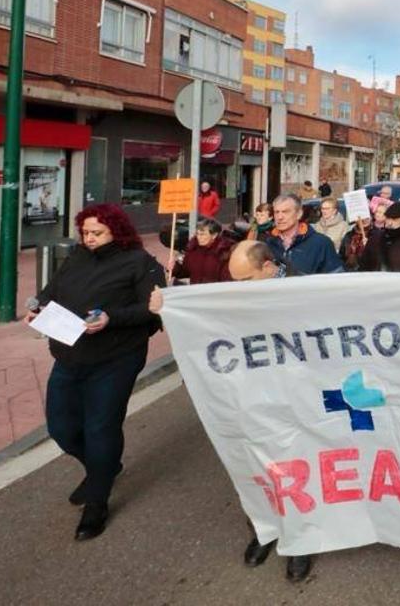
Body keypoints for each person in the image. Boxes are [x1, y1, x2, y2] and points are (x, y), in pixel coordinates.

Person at [150, 239, 314, 582]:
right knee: (254, 463)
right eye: (233, 281)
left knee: (296, 467)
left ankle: (300, 543)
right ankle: (264, 528)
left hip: (296, 397)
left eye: (244, 281)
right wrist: (170, 305)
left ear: (269, 268)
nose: (235, 289)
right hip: (250, 396)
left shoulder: (307, 289)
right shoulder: (237, 294)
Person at [25, 203, 165, 541]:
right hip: (70, 354)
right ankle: (103, 469)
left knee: (101, 427)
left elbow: (152, 311)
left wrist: (110, 319)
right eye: (85, 232)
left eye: (96, 233)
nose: (89, 239)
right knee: (61, 427)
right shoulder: (76, 257)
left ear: (116, 231)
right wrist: (37, 308)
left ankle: (97, 502)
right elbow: (52, 291)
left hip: (116, 358)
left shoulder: (141, 263)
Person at [265, 194, 343, 275]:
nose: (279, 217)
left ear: (299, 214)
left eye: (285, 212)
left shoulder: (321, 243)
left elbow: (335, 280)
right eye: (276, 212)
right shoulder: (266, 243)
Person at [173, 218, 234, 285]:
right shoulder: (193, 249)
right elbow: (185, 271)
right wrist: (175, 268)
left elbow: (227, 280)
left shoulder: (223, 252)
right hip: (196, 292)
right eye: (197, 234)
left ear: (214, 235)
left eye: (202, 234)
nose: (199, 237)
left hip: (214, 292)